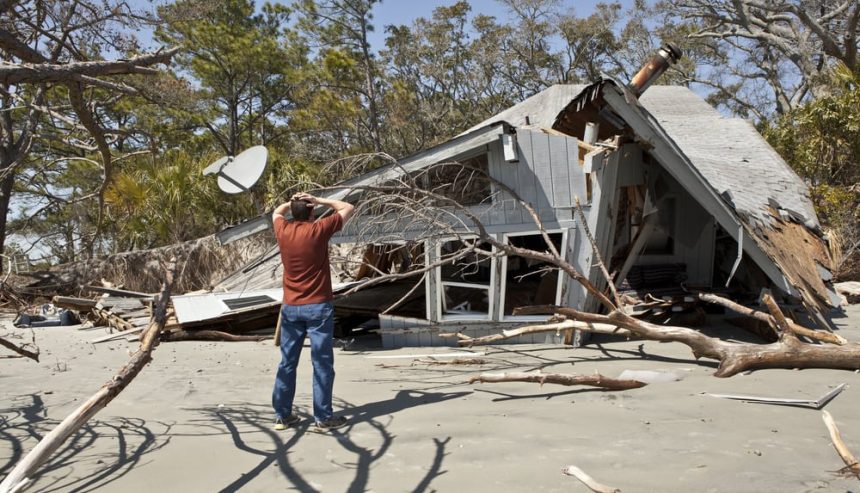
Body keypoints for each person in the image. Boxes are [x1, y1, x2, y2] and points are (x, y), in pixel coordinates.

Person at [271, 192, 355, 431]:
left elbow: (276, 212)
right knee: (322, 363)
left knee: (287, 362)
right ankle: (323, 417)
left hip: (291, 307)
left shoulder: (283, 231)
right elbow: (347, 207)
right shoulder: (318, 230)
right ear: (311, 212)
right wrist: (319, 200)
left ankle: (282, 415)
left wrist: (293, 203)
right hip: (318, 306)